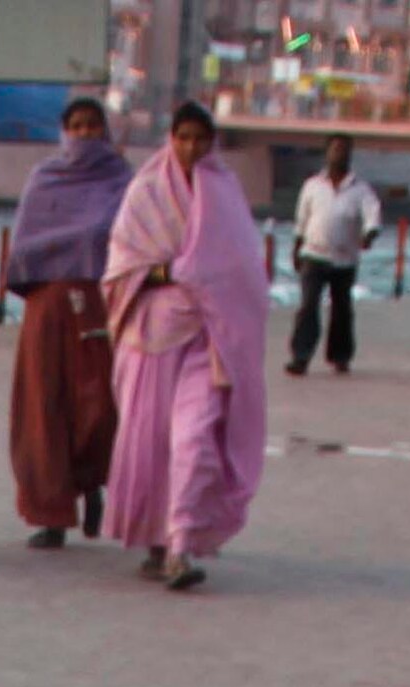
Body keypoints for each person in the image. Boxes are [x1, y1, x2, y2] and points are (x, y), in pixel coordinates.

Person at [103, 99, 268, 591]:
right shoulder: (146, 192)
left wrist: (212, 282)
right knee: (152, 443)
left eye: (201, 139)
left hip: (209, 335)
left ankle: (180, 547)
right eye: (184, 138)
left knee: (194, 438)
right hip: (153, 336)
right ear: (170, 139)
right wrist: (175, 271)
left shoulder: (226, 193)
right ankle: (158, 541)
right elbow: (121, 267)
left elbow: (243, 267)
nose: (192, 148)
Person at [6, 90, 130, 545]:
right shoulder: (45, 179)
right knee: (44, 407)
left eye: (92, 127)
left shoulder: (122, 182)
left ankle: (92, 484)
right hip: (47, 306)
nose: (84, 135)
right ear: (64, 132)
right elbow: (23, 245)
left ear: (105, 131)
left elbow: (130, 242)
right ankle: (51, 515)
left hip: (99, 303)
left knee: (99, 405)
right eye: (76, 127)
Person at [286, 132, 375, 377]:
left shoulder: (361, 190)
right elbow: (301, 220)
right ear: (327, 153)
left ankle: (340, 356)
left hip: (344, 260)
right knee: (308, 306)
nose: (339, 154)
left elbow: (372, 216)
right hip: (313, 255)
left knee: (341, 309)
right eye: (335, 149)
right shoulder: (313, 185)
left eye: (344, 149)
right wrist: (296, 248)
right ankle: (300, 356)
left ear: (350, 154)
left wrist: (369, 235)